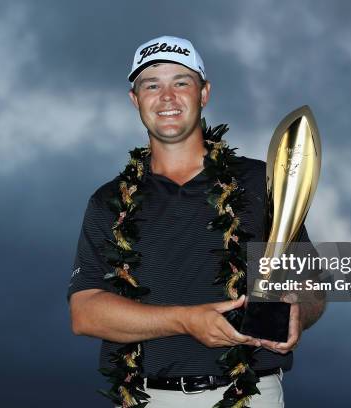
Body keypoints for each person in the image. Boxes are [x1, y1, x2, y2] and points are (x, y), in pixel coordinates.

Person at [67, 35, 325, 407]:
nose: (167, 97)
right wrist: (187, 321)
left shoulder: (261, 183)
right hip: (146, 398)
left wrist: (299, 309)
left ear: (204, 94)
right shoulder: (109, 202)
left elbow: (310, 282)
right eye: (152, 85)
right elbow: (85, 312)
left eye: (181, 83)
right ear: (135, 99)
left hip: (251, 395)